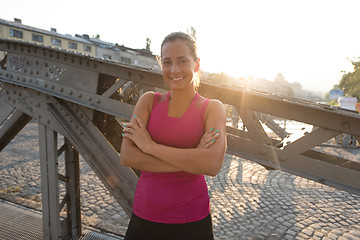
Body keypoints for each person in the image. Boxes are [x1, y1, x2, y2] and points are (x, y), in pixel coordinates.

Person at [120, 32, 227, 240]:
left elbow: (212, 165)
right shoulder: (148, 101)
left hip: (192, 220)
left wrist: (150, 147)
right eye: (167, 62)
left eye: (182, 61)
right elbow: (127, 156)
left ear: (196, 64)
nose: (174, 70)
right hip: (145, 215)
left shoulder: (212, 109)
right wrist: (194, 158)